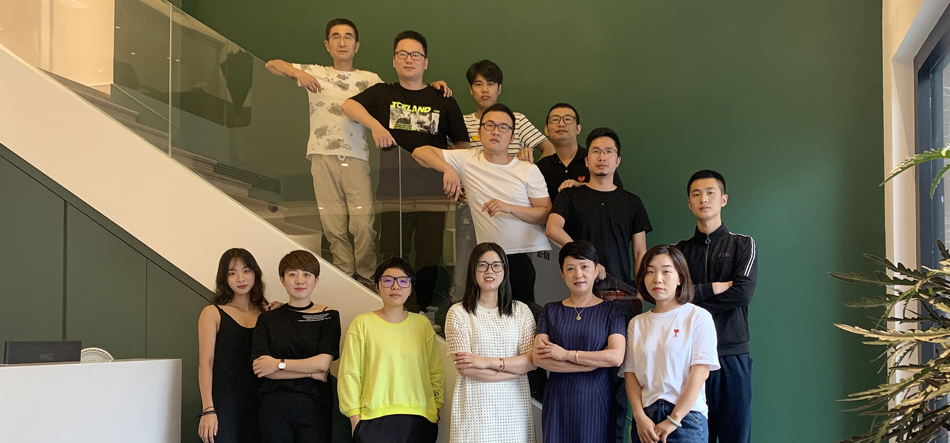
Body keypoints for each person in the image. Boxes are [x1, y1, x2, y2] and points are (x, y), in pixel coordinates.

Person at [265, 20, 452, 285]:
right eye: (336, 37)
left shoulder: (370, 79)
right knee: (333, 223)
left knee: (363, 224)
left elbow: (402, 95)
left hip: (357, 156)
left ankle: (366, 276)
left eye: (348, 37)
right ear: (327, 45)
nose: (342, 42)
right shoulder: (315, 72)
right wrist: (297, 73)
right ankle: (344, 273)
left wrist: (431, 86)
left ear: (357, 46)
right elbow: (272, 64)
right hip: (320, 155)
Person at [342, 30, 469, 312]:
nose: (409, 59)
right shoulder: (383, 94)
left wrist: (451, 169)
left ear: (425, 62)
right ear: (394, 60)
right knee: (392, 255)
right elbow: (348, 105)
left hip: (433, 195)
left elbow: (462, 143)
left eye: (415, 55)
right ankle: (394, 312)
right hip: (393, 193)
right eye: (402, 54)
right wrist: (376, 126)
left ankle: (420, 313)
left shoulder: (443, 98)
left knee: (429, 258)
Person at [545, 127, 651, 443]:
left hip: (623, 297)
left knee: (621, 377)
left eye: (608, 152)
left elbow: (640, 252)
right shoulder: (570, 196)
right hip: (583, 296)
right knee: (582, 369)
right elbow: (552, 228)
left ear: (617, 160)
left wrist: (641, 292)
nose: (602, 157)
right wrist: (586, 259)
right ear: (586, 159)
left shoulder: (632, 202)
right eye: (595, 151)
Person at [412, 103, 551, 306]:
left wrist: (509, 207)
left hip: (526, 255)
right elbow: (419, 152)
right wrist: (448, 169)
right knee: (487, 314)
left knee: (525, 316)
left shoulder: (527, 169)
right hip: (488, 260)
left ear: (512, 137)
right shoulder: (468, 160)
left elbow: (545, 213)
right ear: (479, 132)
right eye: (490, 125)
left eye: (503, 127)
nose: (496, 131)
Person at [453, 59, 554, 301]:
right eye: (478, 84)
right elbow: (452, 157)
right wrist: (454, 177)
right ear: (470, 89)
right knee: (471, 273)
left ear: (499, 88)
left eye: (490, 83)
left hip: (513, 212)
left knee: (515, 275)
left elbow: (549, 149)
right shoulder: (462, 122)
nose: (485, 89)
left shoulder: (515, 119)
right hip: (472, 207)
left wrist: (524, 169)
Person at [675, 170, 757, 443]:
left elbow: (742, 294)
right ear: (689, 203)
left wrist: (693, 297)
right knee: (695, 437)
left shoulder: (743, 244)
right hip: (689, 357)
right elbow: (673, 298)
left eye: (710, 192)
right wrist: (714, 287)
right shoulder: (678, 251)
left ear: (723, 199)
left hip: (731, 355)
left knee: (737, 436)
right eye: (696, 194)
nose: (703, 199)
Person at [338, 257, 444, 443]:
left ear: (411, 288)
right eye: (387, 280)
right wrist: (354, 416)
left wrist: (436, 405)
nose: (395, 286)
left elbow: (435, 370)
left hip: (419, 417)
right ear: (377, 286)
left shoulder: (422, 324)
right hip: (374, 418)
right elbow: (349, 373)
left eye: (403, 281)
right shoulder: (362, 323)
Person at [623, 245, 719, 443]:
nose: (657, 279)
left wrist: (674, 420)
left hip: (686, 418)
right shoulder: (637, 323)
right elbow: (630, 374)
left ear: (680, 278)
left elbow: (700, 373)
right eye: (650, 271)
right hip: (646, 420)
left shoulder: (697, 317)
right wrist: (639, 417)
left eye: (666, 271)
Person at [533, 241, 626, 443]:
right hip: (558, 400)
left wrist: (565, 355)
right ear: (562, 273)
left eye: (584, 267)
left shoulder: (612, 312)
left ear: (596, 270)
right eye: (570, 268)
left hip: (597, 399)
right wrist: (590, 364)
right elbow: (539, 359)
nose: (578, 274)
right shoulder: (550, 310)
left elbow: (615, 357)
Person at [444, 242, 537, 443]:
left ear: (505, 270)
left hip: (514, 407)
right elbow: (466, 368)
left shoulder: (521, 311)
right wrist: (514, 370)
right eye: (482, 265)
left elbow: (531, 361)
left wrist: (485, 362)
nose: (489, 271)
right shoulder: (458, 313)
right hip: (475, 406)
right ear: (473, 269)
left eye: (496, 265)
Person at [251, 250, 341, 443]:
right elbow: (263, 369)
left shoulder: (329, 316)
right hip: (274, 407)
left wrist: (278, 364)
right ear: (282, 280)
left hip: (315, 407)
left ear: (316, 280)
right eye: (292, 274)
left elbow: (323, 364)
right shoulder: (267, 319)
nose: (300, 280)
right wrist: (311, 373)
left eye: (306, 274)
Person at [197, 248, 269, 443]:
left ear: (255, 273)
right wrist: (208, 410)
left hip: (259, 403)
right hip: (223, 404)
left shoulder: (266, 315)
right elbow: (205, 363)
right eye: (232, 273)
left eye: (246, 271)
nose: (240, 278)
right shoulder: (212, 313)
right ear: (224, 278)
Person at [535, 103, 623, 202]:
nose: (561, 124)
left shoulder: (596, 159)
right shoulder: (540, 168)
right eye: (555, 120)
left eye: (568, 119)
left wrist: (582, 186)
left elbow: (618, 196)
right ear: (546, 130)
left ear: (578, 128)